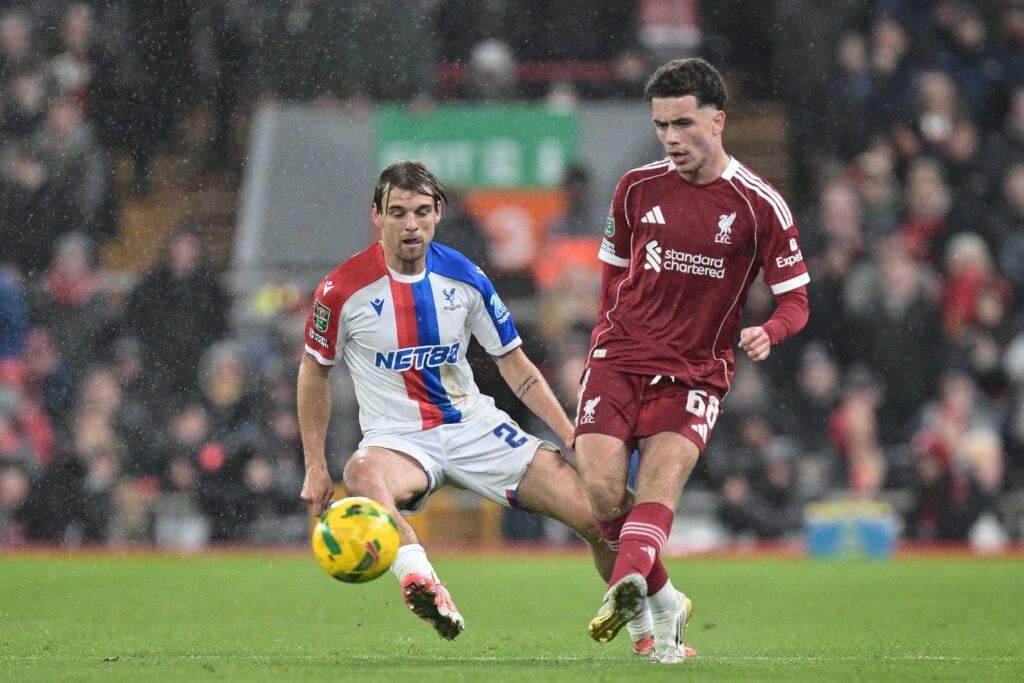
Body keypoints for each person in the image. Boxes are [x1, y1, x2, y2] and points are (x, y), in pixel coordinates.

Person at [297, 161, 632, 644]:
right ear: (377, 215)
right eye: (397, 213)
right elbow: (314, 372)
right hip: (398, 438)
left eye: (420, 212)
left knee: (598, 517)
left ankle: (648, 630)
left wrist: (570, 435)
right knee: (361, 474)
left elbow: (516, 366)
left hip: (473, 427)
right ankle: (422, 582)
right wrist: (314, 464)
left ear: (437, 213)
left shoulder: (466, 276)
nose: (410, 224)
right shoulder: (341, 290)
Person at [573, 58, 810, 664]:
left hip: (695, 373)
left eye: (682, 123)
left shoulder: (761, 206)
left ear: (718, 119)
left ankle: (630, 588)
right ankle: (665, 597)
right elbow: (613, 273)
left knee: (658, 485)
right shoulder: (635, 187)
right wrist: (602, 338)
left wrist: (772, 331)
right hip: (619, 359)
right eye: (660, 126)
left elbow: (797, 300)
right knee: (601, 496)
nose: (671, 138)